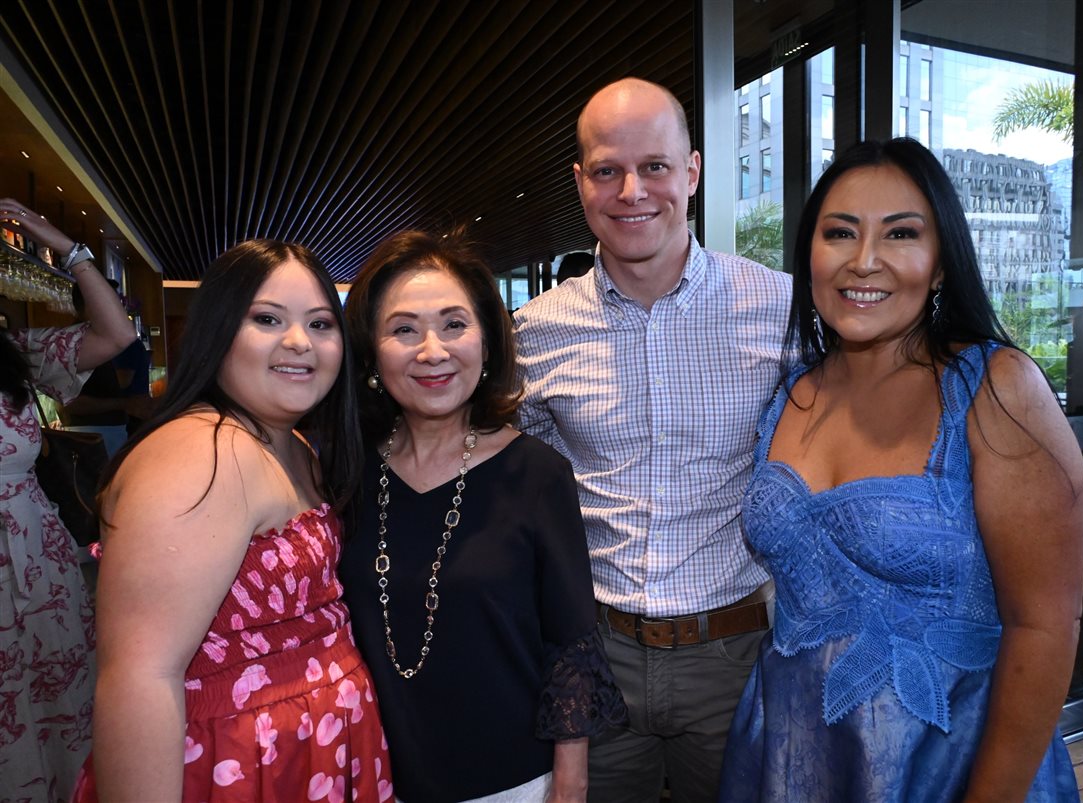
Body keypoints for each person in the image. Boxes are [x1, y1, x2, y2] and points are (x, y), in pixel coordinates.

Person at [718, 138, 1083, 801]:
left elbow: (1046, 627)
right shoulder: (788, 395)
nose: (864, 261)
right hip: (789, 753)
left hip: (946, 765)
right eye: (840, 233)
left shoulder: (995, 389)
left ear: (941, 263)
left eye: (901, 233)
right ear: (811, 253)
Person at [512, 77, 792, 802]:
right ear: (581, 183)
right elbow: (519, 482)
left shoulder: (780, 307)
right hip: (596, 651)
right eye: (608, 170)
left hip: (732, 653)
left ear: (692, 172)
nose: (632, 190)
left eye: (656, 167)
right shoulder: (535, 333)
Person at [71, 240, 395, 801]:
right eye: (267, 318)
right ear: (218, 333)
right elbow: (139, 680)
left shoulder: (292, 443)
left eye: (321, 323)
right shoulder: (202, 452)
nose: (299, 342)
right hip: (238, 766)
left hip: (309, 755)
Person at [340, 229, 625, 802]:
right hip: (376, 774)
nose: (432, 350)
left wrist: (570, 782)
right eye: (403, 329)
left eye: (454, 324)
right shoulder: (345, 471)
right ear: (371, 353)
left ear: (488, 342)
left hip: (513, 779)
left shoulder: (538, 472)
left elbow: (570, 642)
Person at [0, 198, 136, 802]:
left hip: (39, 568)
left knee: (59, 716)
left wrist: (64, 246)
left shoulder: (15, 353)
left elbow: (116, 333)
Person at [58, 279, 153, 455]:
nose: (116, 308)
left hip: (101, 431)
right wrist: (128, 403)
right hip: (93, 435)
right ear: (91, 302)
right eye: (111, 301)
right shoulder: (74, 343)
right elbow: (70, 403)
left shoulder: (84, 339)